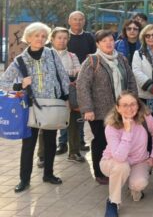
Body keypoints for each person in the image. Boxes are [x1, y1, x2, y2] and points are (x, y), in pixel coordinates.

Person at [0, 22, 70, 193]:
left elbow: (63, 77)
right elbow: (4, 83)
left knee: (50, 142)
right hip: (30, 107)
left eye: (43, 36)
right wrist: (20, 84)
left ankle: (48, 174)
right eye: (36, 36)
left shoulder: (52, 55)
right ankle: (24, 180)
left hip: (52, 105)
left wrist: (65, 99)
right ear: (28, 38)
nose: (40, 39)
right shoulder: (20, 60)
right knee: (28, 145)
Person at [77, 29, 138, 185]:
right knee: (101, 141)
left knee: (119, 139)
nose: (108, 43)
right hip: (99, 111)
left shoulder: (121, 59)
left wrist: (133, 101)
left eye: (110, 40)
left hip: (121, 110)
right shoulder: (92, 61)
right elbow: (82, 86)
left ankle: (117, 168)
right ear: (98, 44)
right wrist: (87, 109)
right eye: (104, 41)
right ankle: (99, 172)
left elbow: (130, 79)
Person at [101, 91, 153, 217]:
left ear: (138, 105)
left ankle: (133, 188)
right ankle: (113, 201)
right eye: (125, 105)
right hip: (113, 162)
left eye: (133, 104)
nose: (129, 108)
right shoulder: (111, 126)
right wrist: (127, 131)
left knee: (138, 184)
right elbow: (119, 157)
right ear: (117, 108)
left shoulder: (145, 118)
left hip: (139, 161)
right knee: (121, 167)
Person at [50, 27, 84, 163]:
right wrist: (69, 72)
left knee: (74, 124)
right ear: (52, 39)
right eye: (59, 37)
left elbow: (79, 71)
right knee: (47, 126)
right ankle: (43, 155)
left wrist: (64, 73)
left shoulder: (72, 56)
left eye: (65, 38)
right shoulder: (46, 55)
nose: (62, 41)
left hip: (70, 96)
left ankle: (74, 152)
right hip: (50, 97)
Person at [67, 11, 95, 153]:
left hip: (84, 79)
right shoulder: (64, 36)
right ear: (69, 21)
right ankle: (62, 143)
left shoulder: (89, 37)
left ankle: (80, 141)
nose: (78, 22)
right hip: (66, 79)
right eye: (75, 19)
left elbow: (93, 55)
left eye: (80, 19)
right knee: (66, 113)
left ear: (84, 21)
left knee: (80, 111)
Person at [132, 24, 153, 118]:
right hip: (145, 95)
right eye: (147, 36)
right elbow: (136, 72)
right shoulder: (138, 53)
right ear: (144, 38)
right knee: (146, 124)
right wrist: (150, 86)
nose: (151, 38)